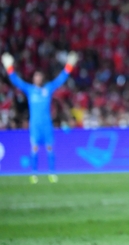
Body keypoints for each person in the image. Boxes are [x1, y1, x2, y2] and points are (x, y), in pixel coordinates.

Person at [1, 51, 78, 184]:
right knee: (34, 148)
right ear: (33, 79)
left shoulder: (47, 89)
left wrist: (69, 65)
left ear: (41, 79)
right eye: (35, 77)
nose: (37, 79)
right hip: (35, 125)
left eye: (39, 77)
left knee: (50, 148)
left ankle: (52, 173)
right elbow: (16, 81)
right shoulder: (29, 89)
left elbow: (60, 79)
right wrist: (9, 67)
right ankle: (34, 173)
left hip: (46, 124)